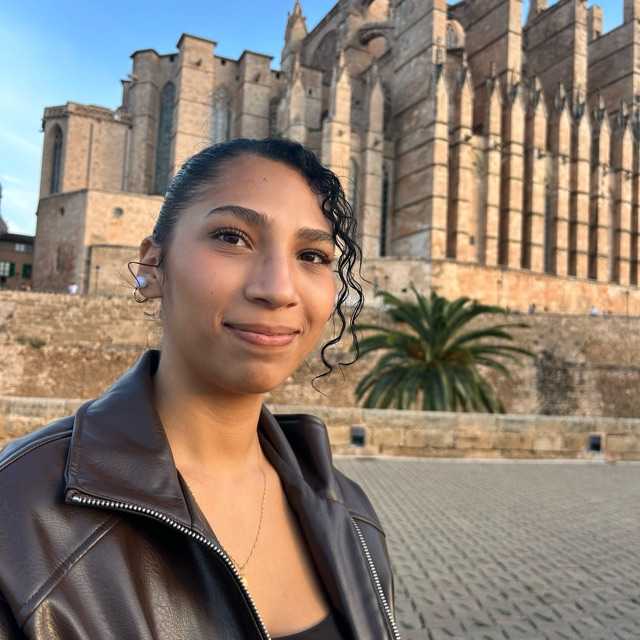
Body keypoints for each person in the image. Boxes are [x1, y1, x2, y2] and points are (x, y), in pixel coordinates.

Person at [0, 138, 400, 640]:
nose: (278, 289)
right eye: (232, 238)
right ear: (152, 266)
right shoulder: (18, 513)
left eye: (312, 255)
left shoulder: (353, 516)